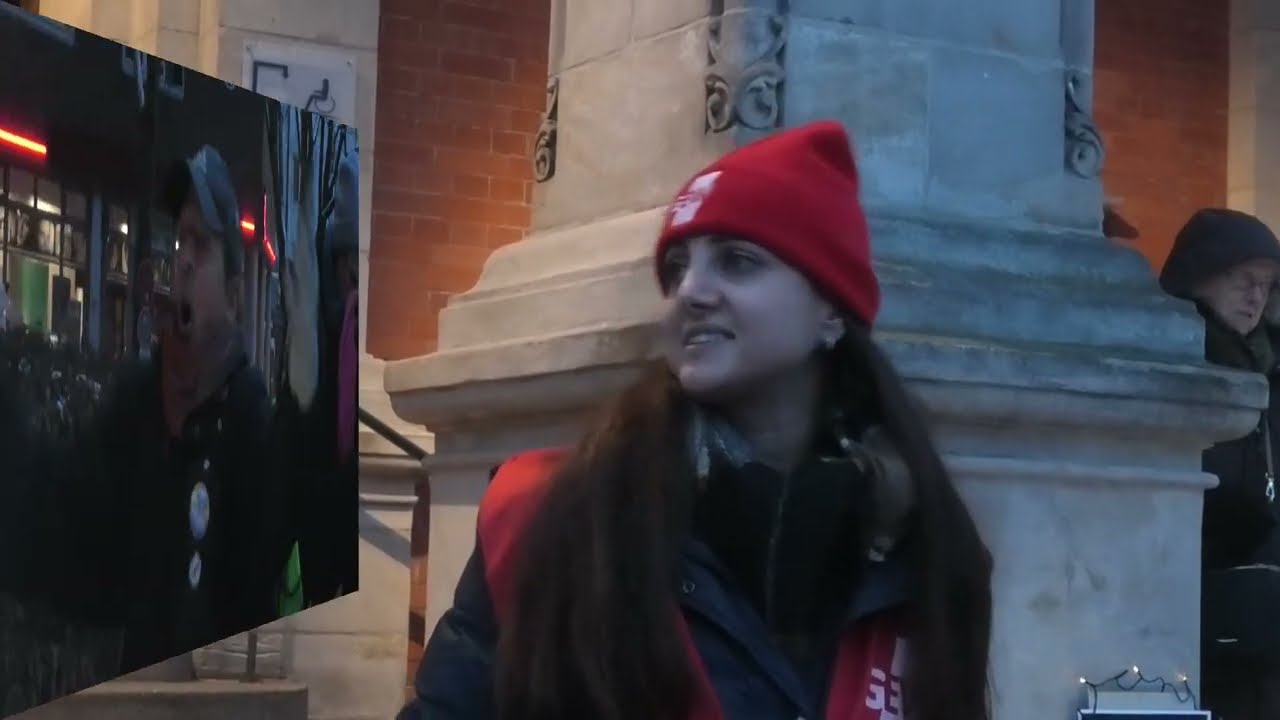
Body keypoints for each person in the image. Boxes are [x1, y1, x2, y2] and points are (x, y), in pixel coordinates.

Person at [399, 121, 994, 720]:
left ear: (832, 312)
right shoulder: (551, 518)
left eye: (738, 262)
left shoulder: (928, 548)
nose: (690, 291)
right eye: (678, 266)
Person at [0, 144, 322, 677]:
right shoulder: (138, 401)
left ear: (237, 298)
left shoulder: (252, 424)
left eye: (201, 243)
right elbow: (63, 534)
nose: (185, 258)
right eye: (180, 241)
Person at [1160, 208, 1280, 720]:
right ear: (1201, 274)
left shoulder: (1268, 369)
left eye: (1267, 285)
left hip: (1258, 614)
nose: (1256, 297)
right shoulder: (1169, 357)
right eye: (1243, 280)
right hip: (1189, 605)